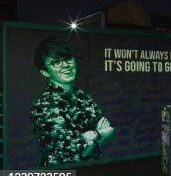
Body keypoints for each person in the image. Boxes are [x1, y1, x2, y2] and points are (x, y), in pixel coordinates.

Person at [30, 37, 115, 166]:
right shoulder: (43, 106)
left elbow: (109, 129)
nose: (65, 66)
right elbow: (75, 150)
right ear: (45, 72)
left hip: (92, 171)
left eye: (68, 59)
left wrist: (91, 137)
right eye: (56, 63)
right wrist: (98, 134)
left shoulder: (83, 96)